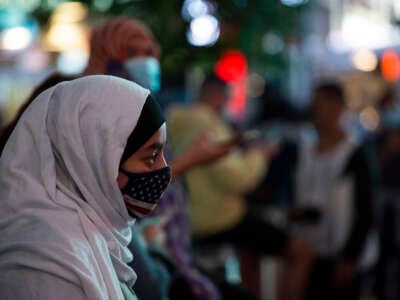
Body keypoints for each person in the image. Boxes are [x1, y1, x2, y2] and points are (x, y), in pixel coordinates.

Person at [0, 75, 171, 299]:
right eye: (151, 157)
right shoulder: (47, 267)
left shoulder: (100, 233)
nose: (164, 168)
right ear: (98, 161)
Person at [168, 73, 313, 300]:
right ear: (217, 95)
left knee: (252, 258)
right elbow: (237, 178)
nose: (226, 105)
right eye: (226, 98)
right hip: (218, 219)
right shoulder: (206, 125)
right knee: (300, 250)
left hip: (194, 219)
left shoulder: (177, 122)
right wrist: (260, 155)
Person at [293, 82, 377, 300]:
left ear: (338, 107)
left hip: (343, 256)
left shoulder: (355, 153)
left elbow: (366, 210)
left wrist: (350, 257)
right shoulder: (306, 151)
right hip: (310, 253)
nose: (318, 112)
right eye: (315, 106)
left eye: (322, 105)